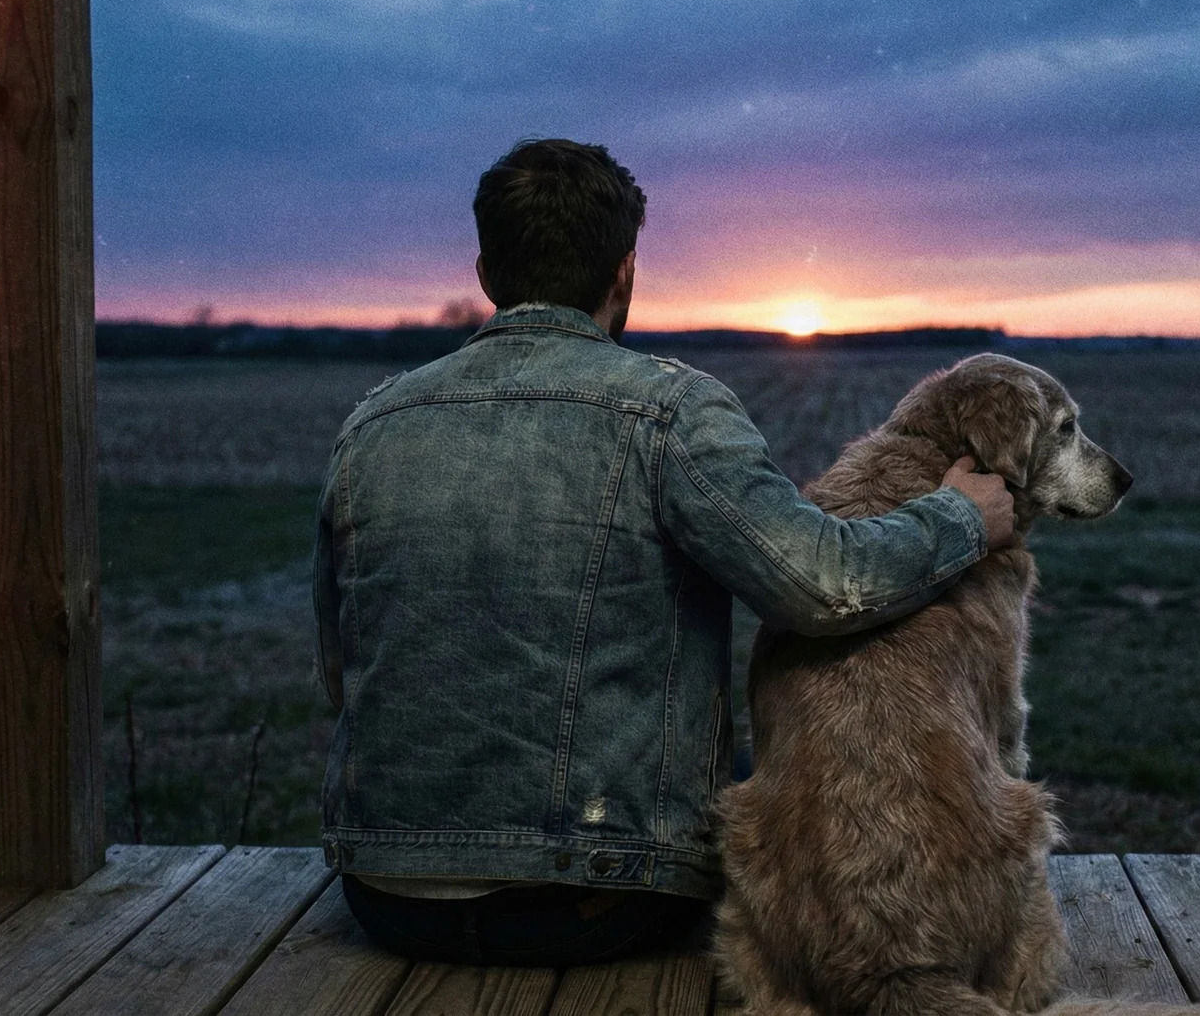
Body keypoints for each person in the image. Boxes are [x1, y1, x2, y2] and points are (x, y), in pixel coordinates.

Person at [312, 138, 1015, 967]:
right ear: (625, 273)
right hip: (597, 899)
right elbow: (825, 586)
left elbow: (340, 674)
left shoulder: (370, 425)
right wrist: (960, 517)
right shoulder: (672, 411)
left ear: (484, 272)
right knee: (788, 775)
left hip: (387, 894)